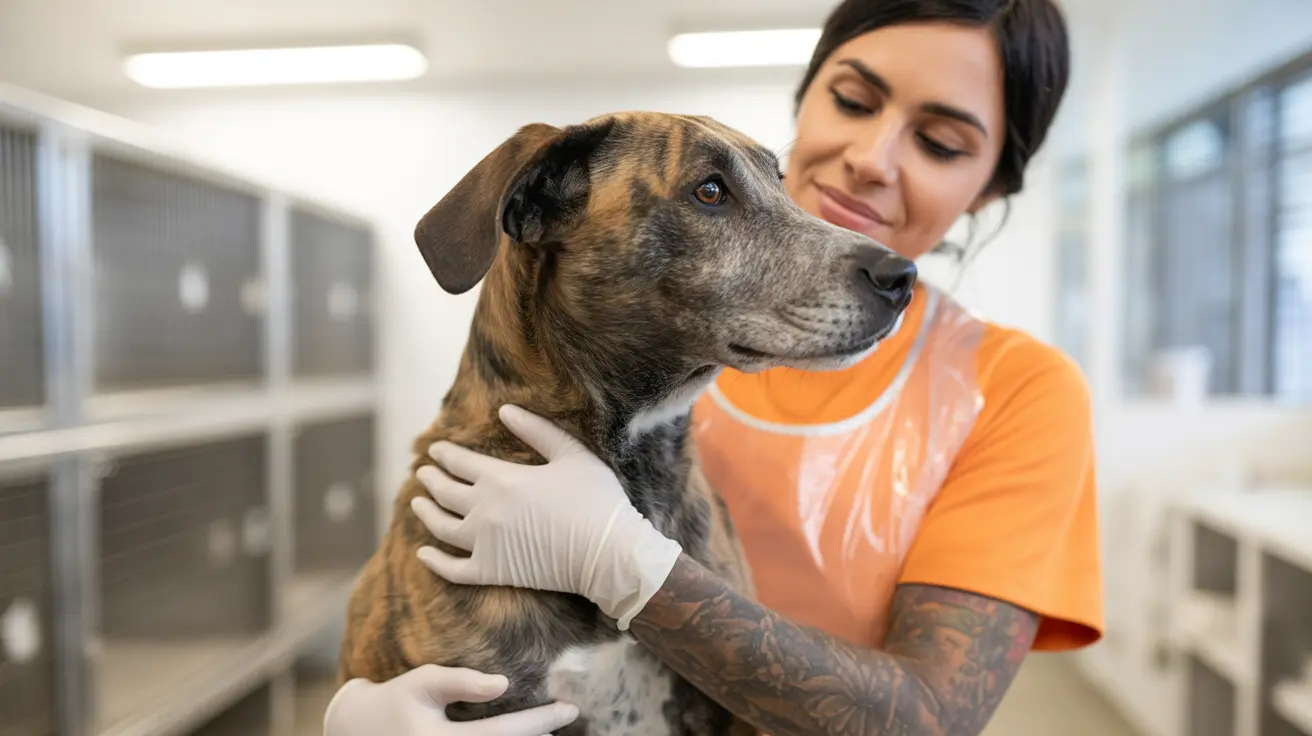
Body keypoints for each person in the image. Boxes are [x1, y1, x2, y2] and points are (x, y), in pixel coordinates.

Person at [324, 0, 1104, 733]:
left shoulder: (1012, 391)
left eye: (940, 144)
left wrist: (626, 563)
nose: (872, 159)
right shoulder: (677, 346)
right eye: (853, 100)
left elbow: (930, 719)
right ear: (807, 94)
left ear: (991, 185)